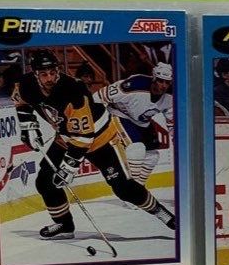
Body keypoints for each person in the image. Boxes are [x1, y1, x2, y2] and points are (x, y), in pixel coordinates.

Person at [10, 52, 175, 241]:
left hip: (100, 138)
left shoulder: (74, 90)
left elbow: (84, 137)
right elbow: (20, 100)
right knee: (45, 181)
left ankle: (161, 212)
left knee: (123, 188)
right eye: (44, 74)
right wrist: (28, 125)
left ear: (58, 70)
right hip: (66, 137)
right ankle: (65, 225)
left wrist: (69, 167)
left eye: (52, 73)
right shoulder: (26, 84)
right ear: (35, 74)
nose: (49, 78)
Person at [93, 62, 173, 185]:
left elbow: (173, 124)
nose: (163, 86)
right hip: (119, 114)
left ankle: (139, 189)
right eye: (160, 81)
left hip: (141, 122)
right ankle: (132, 189)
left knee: (152, 156)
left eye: (167, 82)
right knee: (137, 149)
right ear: (154, 78)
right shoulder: (135, 84)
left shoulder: (171, 97)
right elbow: (98, 96)